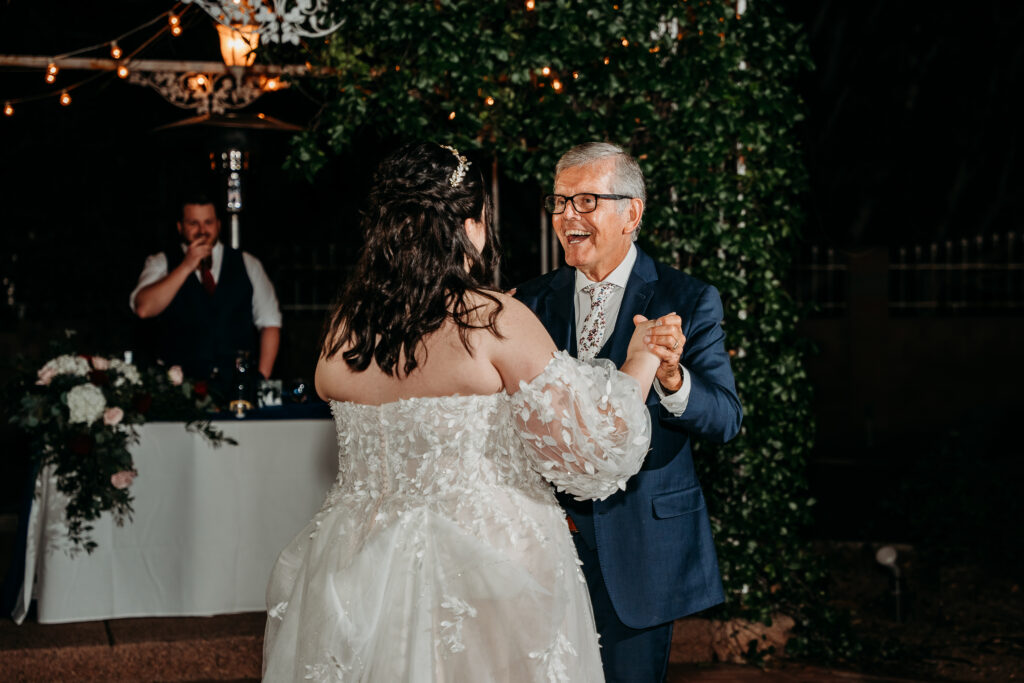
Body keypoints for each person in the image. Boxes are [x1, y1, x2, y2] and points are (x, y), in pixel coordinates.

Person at [261, 143, 670, 681]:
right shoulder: (491, 318)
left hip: (352, 562)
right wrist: (640, 361)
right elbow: (593, 447)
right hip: (485, 567)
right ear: (472, 225)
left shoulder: (346, 328)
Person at [514, 142, 743, 683]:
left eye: (586, 201)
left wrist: (672, 380)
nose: (567, 215)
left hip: (640, 542)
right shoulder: (528, 301)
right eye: (560, 201)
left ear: (632, 213)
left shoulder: (686, 297)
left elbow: (726, 418)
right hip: (544, 539)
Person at [129, 193, 281, 380]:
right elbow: (143, 309)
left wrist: (261, 378)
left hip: (235, 383)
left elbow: (270, 323)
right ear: (180, 227)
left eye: (208, 222)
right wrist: (186, 266)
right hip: (180, 387)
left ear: (218, 225)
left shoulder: (247, 263)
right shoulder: (161, 262)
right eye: (193, 223)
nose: (202, 230)